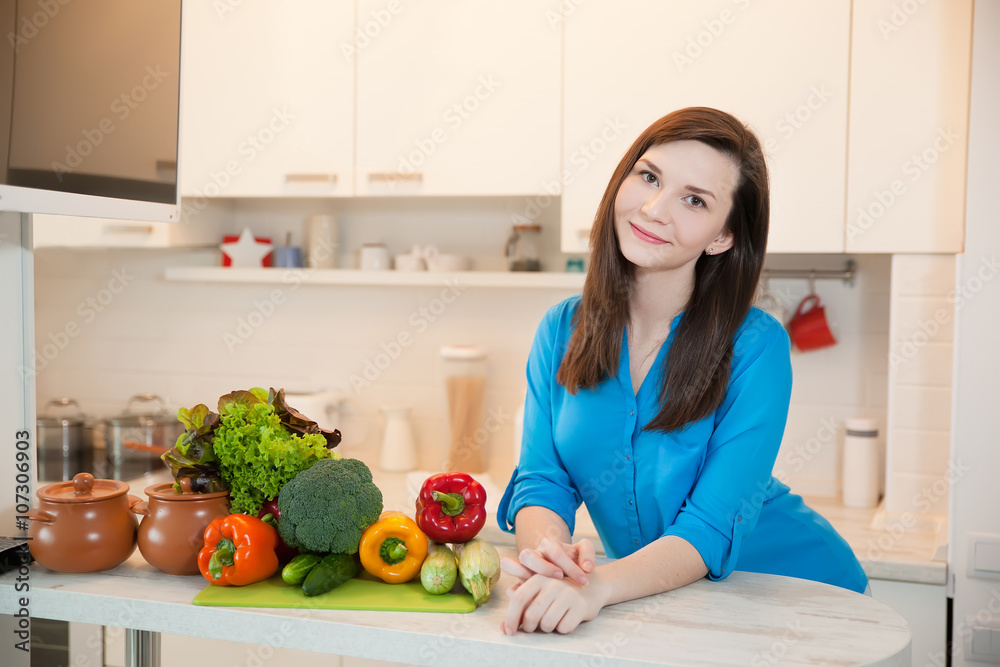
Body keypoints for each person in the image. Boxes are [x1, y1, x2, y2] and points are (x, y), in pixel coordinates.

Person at [496, 107, 868, 636]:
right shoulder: (561, 331)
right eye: (649, 177)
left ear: (722, 237)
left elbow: (711, 525)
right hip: (669, 609)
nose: (653, 209)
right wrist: (550, 562)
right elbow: (544, 481)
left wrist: (597, 585)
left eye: (694, 200)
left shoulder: (756, 347)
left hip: (801, 601)